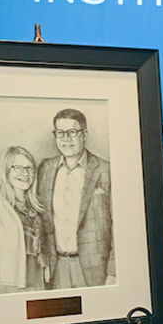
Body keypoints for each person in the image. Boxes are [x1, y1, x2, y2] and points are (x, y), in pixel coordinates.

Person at [36, 108, 114, 289]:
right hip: (57, 267)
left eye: (72, 132)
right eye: (60, 133)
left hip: (97, 269)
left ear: (84, 134)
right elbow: (28, 203)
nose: (66, 139)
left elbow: (120, 226)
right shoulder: (45, 168)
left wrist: (114, 271)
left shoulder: (106, 170)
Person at [0, 145, 47, 294]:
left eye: (30, 168)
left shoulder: (36, 208)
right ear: (6, 171)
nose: (26, 173)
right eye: (18, 168)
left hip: (37, 283)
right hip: (5, 287)